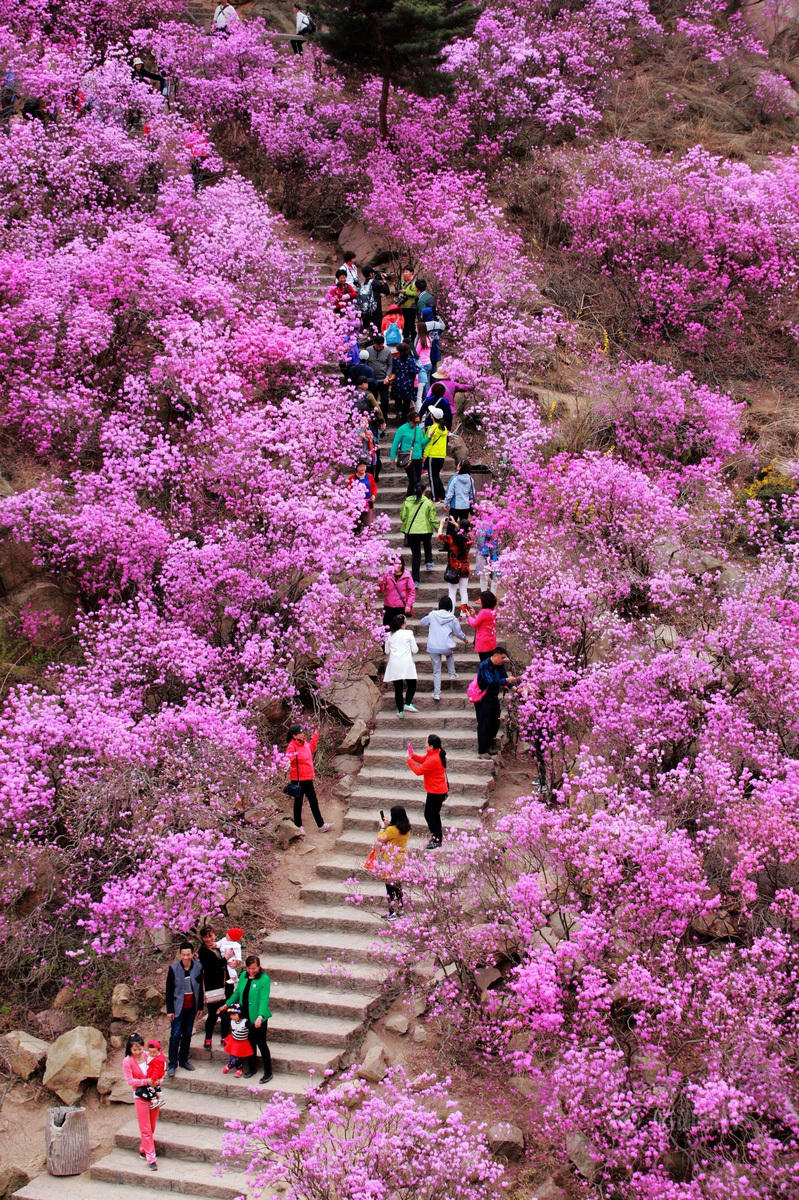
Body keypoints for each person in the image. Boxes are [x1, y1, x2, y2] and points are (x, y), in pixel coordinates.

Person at [223, 955, 272, 1083]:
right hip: (245, 1016)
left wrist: (260, 1016)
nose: (251, 971)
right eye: (249, 968)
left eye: (254, 968)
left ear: (259, 967)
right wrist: (227, 1004)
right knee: (250, 1043)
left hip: (258, 1017)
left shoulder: (264, 979)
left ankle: (268, 1072)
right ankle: (252, 1068)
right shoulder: (244, 976)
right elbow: (238, 992)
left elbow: (263, 999)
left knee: (261, 1043)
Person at [165, 942, 204, 1076]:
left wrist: (200, 1006)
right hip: (178, 1007)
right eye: (183, 955)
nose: (186, 957)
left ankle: (183, 1060)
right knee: (175, 1035)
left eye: (188, 954)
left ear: (192, 954)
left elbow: (200, 988)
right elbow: (169, 991)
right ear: (180, 955)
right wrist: (170, 1010)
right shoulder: (173, 969)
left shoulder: (198, 967)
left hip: (191, 1007)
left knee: (187, 1034)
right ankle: (172, 1063)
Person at [286, 724, 332, 834]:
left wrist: (315, 735)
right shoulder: (292, 746)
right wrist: (290, 759)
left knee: (314, 802)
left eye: (303, 732)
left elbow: (311, 748)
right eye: (300, 732)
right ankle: (298, 826)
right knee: (298, 803)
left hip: (308, 779)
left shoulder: (304, 744)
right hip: (298, 780)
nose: (303, 734)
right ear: (294, 735)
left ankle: (321, 825)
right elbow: (287, 759)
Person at [123, 1034, 159, 1171]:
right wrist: (145, 1081)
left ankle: (144, 1148)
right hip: (140, 1096)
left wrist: (157, 1080)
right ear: (130, 1050)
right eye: (134, 1050)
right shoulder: (127, 1061)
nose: (138, 1052)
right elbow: (130, 1081)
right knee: (145, 1128)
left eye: (139, 1049)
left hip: (153, 1094)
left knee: (152, 1125)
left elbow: (159, 1069)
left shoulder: (149, 1055)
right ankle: (151, 1158)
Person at [369, 805, 411, 919]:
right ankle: (401, 909)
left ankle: (392, 911)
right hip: (402, 859)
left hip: (391, 860)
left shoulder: (391, 830)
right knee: (398, 885)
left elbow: (381, 838)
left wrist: (383, 827)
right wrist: (389, 825)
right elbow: (394, 833)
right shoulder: (407, 827)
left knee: (389, 887)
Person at [474, 646, 518, 757]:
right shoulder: (484, 665)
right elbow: (491, 681)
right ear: (495, 656)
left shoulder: (500, 666)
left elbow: (504, 677)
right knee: (484, 722)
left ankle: (489, 745)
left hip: (493, 696)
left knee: (495, 722)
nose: (503, 660)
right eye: (502, 657)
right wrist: (506, 680)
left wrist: (515, 688)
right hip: (482, 697)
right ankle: (482, 750)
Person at [407, 734, 448, 849]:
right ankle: (437, 837)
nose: (425, 745)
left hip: (436, 792)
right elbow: (423, 759)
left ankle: (436, 838)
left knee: (430, 815)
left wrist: (409, 761)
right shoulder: (435, 752)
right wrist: (413, 755)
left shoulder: (434, 759)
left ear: (431, 746)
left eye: (426, 743)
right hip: (437, 790)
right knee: (434, 815)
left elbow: (419, 770)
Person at [420, 596, 465, 701]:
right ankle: (452, 674)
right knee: (449, 654)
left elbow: (422, 623)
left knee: (436, 671)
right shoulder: (452, 618)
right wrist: (464, 638)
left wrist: (426, 616)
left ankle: (437, 694)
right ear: (450, 606)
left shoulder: (432, 614)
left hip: (433, 646)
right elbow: (458, 633)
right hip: (446, 646)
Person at [198, 925, 231, 1050]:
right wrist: (226, 958)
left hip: (224, 984)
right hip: (212, 986)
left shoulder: (217, 947)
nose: (209, 939)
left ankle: (224, 1037)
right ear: (202, 938)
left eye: (211, 936)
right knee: (212, 1014)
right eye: (206, 937)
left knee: (225, 1013)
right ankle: (208, 1038)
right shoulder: (203, 951)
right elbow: (214, 966)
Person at [400, 484, 438, 583]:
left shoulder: (407, 502)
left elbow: (403, 517)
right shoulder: (428, 503)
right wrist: (439, 529)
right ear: (424, 491)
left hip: (412, 531)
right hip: (425, 530)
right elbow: (432, 519)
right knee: (427, 545)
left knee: (416, 556)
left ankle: (416, 580)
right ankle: (429, 561)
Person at [384, 613, 418, 716]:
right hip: (406, 663)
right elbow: (415, 650)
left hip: (394, 664)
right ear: (403, 624)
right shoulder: (409, 633)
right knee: (412, 684)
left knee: (398, 688)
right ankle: (407, 703)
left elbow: (386, 651)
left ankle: (400, 711)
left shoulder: (389, 635)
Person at [390, 409, 428, 496]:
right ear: (410, 420)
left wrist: (429, 438)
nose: (416, 424)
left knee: (418, 479)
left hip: (418, 457)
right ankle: (409, 498)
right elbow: (395, 443)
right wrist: (392, 457)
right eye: (415, 422)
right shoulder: (402, 429)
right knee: (413, 479)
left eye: (418, 422)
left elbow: (422, 443)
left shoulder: (418, 429)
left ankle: (414, 497)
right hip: (408, 458)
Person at [440, 517, 472, 613]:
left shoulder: (452, 538)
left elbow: (440, 536)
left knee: (452, 593)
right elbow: (463, 532)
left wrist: (441, 525)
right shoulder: (469, 538)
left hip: (454, 567)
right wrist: (456, 524)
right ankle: (463, 613)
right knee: (463, 591)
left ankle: (451, 612)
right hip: (465, 567)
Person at [378, 556, 415, 629]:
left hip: (401, 606)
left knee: (400, 629)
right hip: (389, 606)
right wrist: (380, 584)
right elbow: (381, 591)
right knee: (387, 628)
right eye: (395, 564)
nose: (398, 566)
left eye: (400, 564)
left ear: (403, 564)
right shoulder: (387, 574)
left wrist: (408, 605)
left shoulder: (407, 575)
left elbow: (412, 591)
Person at [221, 1003, 254, 1076]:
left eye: (234, 1015)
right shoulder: (232, 1021)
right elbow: (223, 1017)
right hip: (234, 1041)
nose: (232, 1017)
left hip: (242, 1042)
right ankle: (239, 1069)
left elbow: (252, 1027)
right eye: (231, 1015)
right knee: (233, 1055)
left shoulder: (245, 1022)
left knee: (238, 1057)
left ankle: (230, 1065)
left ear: (240, 1014)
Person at [422, 407, 447, 500]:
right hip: (441, 456)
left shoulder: (432, 429)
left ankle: (435, 497)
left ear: (432, 416)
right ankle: (442, 495)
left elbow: (428, 444)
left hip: (433, 455)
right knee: (436, 476)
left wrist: (425, 455)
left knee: (432, 477)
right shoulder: (444, 428)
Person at [391, 342, 418, 424]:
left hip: (398, 383)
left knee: (397, 400)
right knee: (406, 402)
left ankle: (398, 412)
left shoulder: (395, 360)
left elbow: (393, 370)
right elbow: (414, 372)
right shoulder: (411, 360)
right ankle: (404, 418)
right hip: (408, 384)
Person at [467, 590, 498, 661]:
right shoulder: (494, 610)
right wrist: (474, 615)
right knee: (490, 663)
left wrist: (469, 616)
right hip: (491, 641)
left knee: (484, 663)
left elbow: (474, 624)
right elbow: (484, 621)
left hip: (483, 642)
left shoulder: (483, 612)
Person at [366, 335, 394, 412]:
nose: (379, 348)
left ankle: (384, 417)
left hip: (383, 380)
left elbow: (390, 364)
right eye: (377, 346)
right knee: (372, 401)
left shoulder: (387, 351)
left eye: (380, 346)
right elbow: (366, 363)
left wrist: (387, 376)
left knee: (385, 400)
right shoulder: (368, 350)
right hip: (372, 380)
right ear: (374, 343)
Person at [348, 459, 378, 530]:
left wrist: (373, 495)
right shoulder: (352, 478)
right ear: (356, 468)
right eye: (360, 466)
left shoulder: (369, 476)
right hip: (356, 505)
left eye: (364, 466)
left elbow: (374, 487)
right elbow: (348, 492)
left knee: (367, 525)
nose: (363, 468)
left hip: (368, 503)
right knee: (356, 526)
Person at [444, 460, 475, 524]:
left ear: (460, 467)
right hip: (466, 506)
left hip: (455, 506)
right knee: (463, 526)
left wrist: (446, 503)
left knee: (451, 526)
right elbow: (472, 494)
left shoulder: (454, 478)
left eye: (458, 464)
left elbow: (450, 493)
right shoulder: (470, 479)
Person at [474, 527, 500, 594]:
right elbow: (479, 539)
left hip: (494, 552)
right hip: (482, 552)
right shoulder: (480, 525)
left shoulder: (496, 522)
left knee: (495, 576)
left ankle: (493, 597)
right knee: (483, 576)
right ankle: (484, 596)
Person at [397, 268, 419, 348]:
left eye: (407, 271)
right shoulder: (403, 283)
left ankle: (413, 342)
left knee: (411, 325)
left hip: (411, 307)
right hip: (403, 307)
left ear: (411, 272)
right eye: (404, 272)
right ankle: (405, 341)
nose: (405, 273)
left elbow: (416, 293)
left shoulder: (414, 283)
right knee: (405, 325)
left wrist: (405, 292)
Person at [414, 319, 433, 407]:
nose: (415, 329)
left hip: (422, 364)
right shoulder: (428, 338)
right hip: (428, 362)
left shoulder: (421, 340)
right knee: (427, 383)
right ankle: (429, 400)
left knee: (424, 385)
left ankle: (426, 402)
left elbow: (417, 352)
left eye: (416, 327)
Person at [145, 1039, 166, 1109]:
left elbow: (156, 1070)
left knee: (150, 1087)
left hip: (154, 1077)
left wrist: (152, 1079)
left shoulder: (157, 1060)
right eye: (150, 1052)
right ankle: (160, 1099)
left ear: (159, 1050)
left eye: (154, 1052)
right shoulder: (160, 1057)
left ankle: (154, 1101)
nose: (152, 1054)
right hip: (158, 1077)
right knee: (157, 1088)